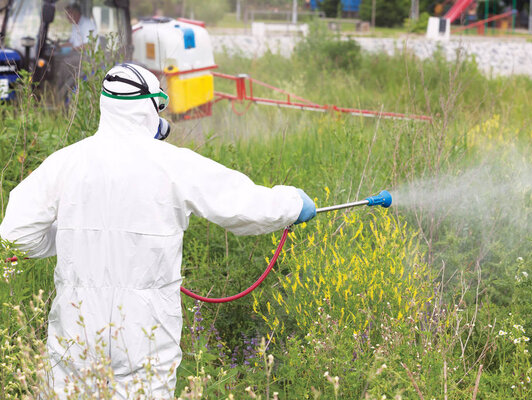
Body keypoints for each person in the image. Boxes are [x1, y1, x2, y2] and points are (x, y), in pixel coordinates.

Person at [0, 63, 316, 399]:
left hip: (76, 328)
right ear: (151, 106)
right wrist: (292, 203)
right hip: (144, 331)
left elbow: (15, 235)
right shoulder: (172, 163)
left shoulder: (65, 163)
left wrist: (68, 237)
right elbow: (242, 204)